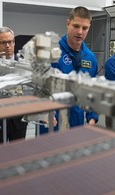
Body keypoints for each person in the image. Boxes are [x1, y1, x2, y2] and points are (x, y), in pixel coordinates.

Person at [39, 6, 99, 134]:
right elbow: (39, 89)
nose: (80, 32)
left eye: (85, 28)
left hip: (76, 123)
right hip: (52, 122)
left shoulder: (90, 58)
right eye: (76, 26)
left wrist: (91, 119)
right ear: (68, 23)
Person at [0, 26, 28, 144]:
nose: (7, 46)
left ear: (14, 42)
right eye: (3, 42)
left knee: (18, 155)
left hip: (18, 119)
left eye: (10, 42)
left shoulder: (24, 64)